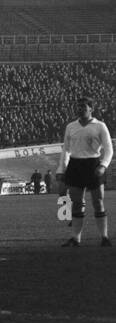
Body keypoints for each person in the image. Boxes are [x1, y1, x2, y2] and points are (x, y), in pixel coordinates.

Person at [59, 96, 113, 247]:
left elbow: (109, 149)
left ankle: (104, 237)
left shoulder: (100, 126)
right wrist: (61, 169)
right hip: (75, 165)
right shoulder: (71, 126)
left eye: (83, 106)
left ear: (91, 109)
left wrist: (103, 165)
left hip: (93, 164)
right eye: (78, 106)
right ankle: (76, 238)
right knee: (76, 203)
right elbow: (66, 150)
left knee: (98, 201)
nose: (80, 108)